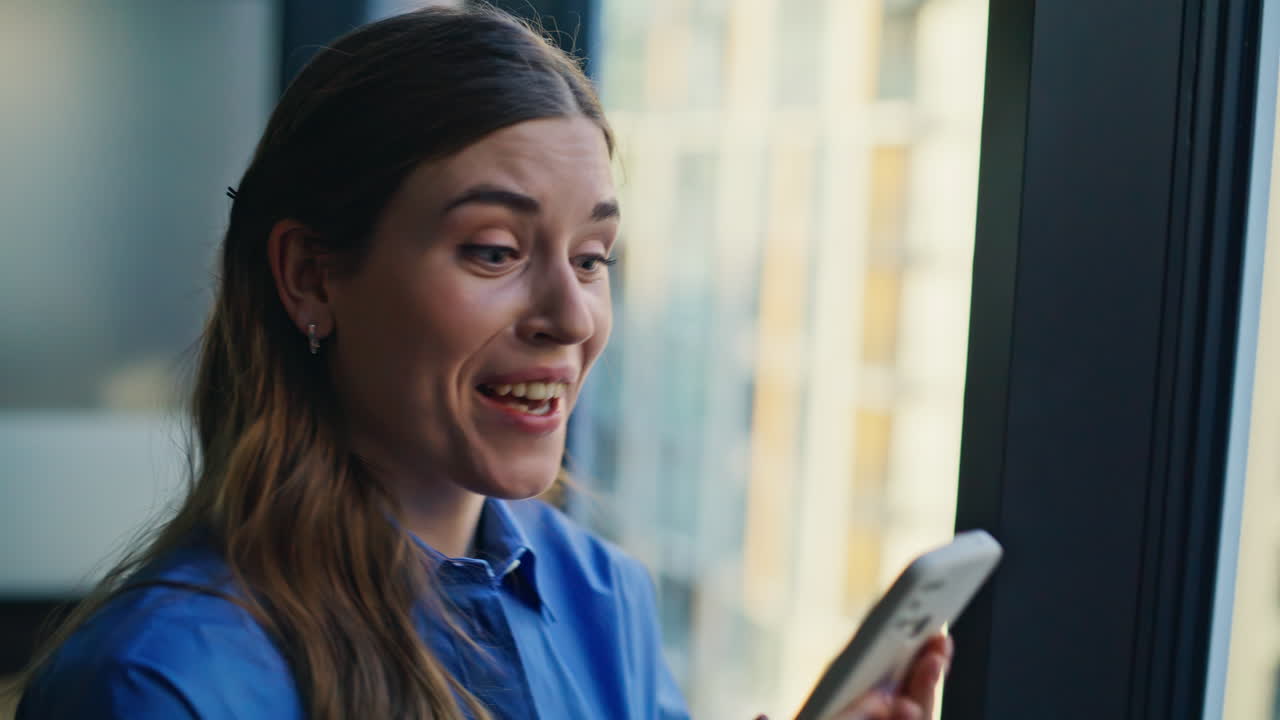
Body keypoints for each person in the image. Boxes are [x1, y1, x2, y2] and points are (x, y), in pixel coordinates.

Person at [12, 6, 953, 719]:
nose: (571, 315)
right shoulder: (162, 682)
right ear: (310, 277)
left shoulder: (601, 598)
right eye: (494, 251)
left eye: (593, 259)